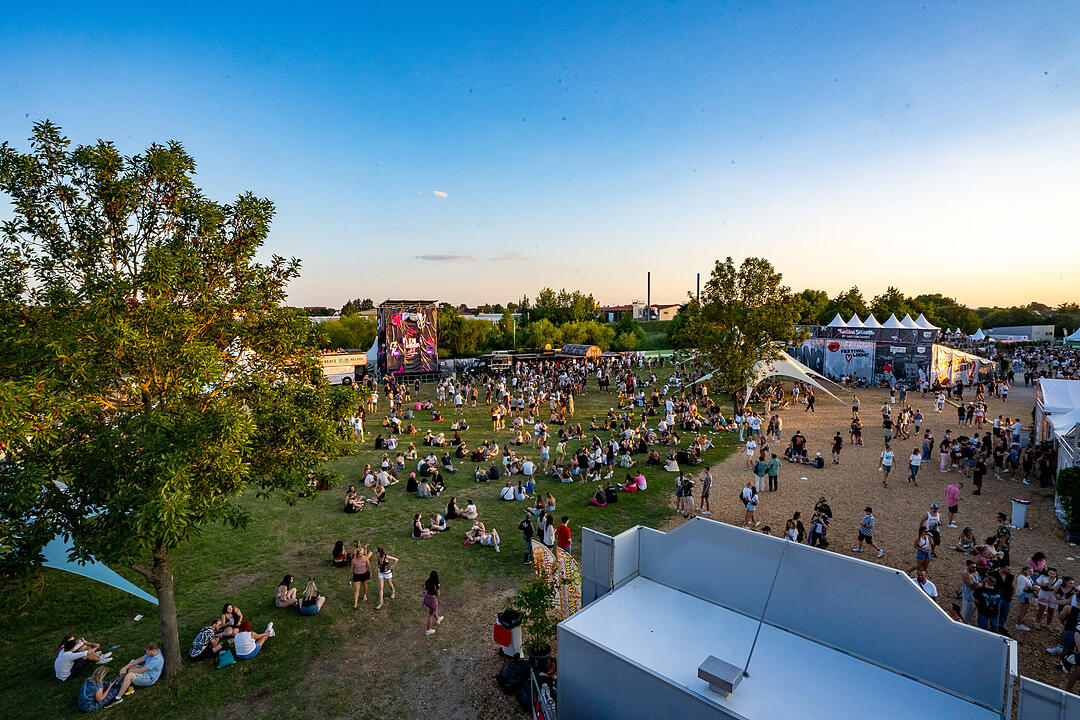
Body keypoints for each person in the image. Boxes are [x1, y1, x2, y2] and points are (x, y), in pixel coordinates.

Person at [350, 541, 372, 608]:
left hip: (364, 574)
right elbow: (351, 569)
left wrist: (370, 573)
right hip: (356, 575)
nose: (362, 554)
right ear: (357, 554)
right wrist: (350, 576)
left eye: (363, 553)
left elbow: (369, 566)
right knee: (357, 590)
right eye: (361, 553)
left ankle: (364, 595)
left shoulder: (365, 558)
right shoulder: (354, 560)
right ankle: (355, 603)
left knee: (365, 586)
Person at [423, 571, 444, 636]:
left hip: (426, 599)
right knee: (430, 616)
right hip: (432, 601)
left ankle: (438, 619)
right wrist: (436, 594)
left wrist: (426, 589)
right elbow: (438, 594)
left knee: (433, 610)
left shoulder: (427, 581)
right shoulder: (436, 584)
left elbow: (423, 585)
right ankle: (428, 630)